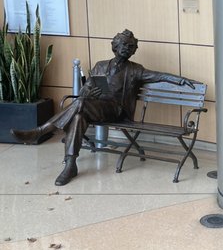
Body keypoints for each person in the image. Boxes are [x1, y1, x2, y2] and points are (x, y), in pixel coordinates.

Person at [11, 30, 196, 186]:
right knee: (78, 117)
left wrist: (180, 80)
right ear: (115, 46)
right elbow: (84, 92)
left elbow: (158, 76)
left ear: (134, 51)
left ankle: (41, 131)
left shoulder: (135, 69)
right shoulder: (100, 66)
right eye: (123, 44)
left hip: (117, 112)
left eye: (131, 46)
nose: (127, 48)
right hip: (94, 107)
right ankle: (70, 165)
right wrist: (90, 93)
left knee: (81, 105)